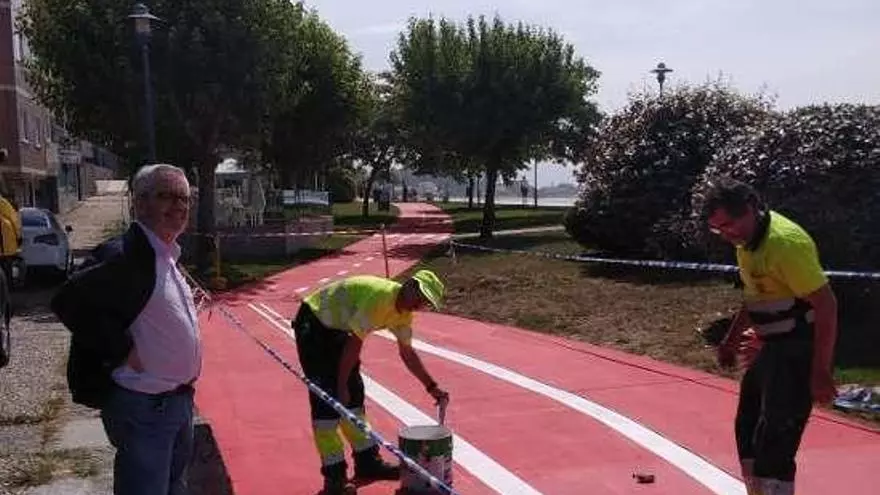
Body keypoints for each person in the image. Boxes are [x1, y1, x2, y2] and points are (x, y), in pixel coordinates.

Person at [51, 164, 200, 495]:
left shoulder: (165, 254)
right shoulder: (125, 255)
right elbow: (68, 301)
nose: (178, 206)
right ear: (141, 202)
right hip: (145, 406)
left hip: (176, 402)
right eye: (167, 196)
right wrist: (121, 350)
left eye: (184, 198)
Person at [704, 178, 838, 495]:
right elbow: (755, 296)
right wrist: (730, 340)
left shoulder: (785, 245)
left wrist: (820, 371)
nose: (726, 234)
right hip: (771, 347)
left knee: (775, 442)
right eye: (717, 229)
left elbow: (827, 305)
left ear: (751, 209)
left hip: (797, 349)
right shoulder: (746, 243)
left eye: (729, 224)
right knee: (747, 428)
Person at [292, 270, 450, 494]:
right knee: (326, 402)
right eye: (420, 297)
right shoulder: (380, 298)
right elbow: (354, 344)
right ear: (409, 285)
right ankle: (334, 479)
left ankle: (367, 462)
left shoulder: (403, 314)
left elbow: (407, 353)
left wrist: (432, 386)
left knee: (354, 396)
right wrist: (341, 386)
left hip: (339, 327)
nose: (419, 305)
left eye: (425, 302)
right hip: (315, 321)